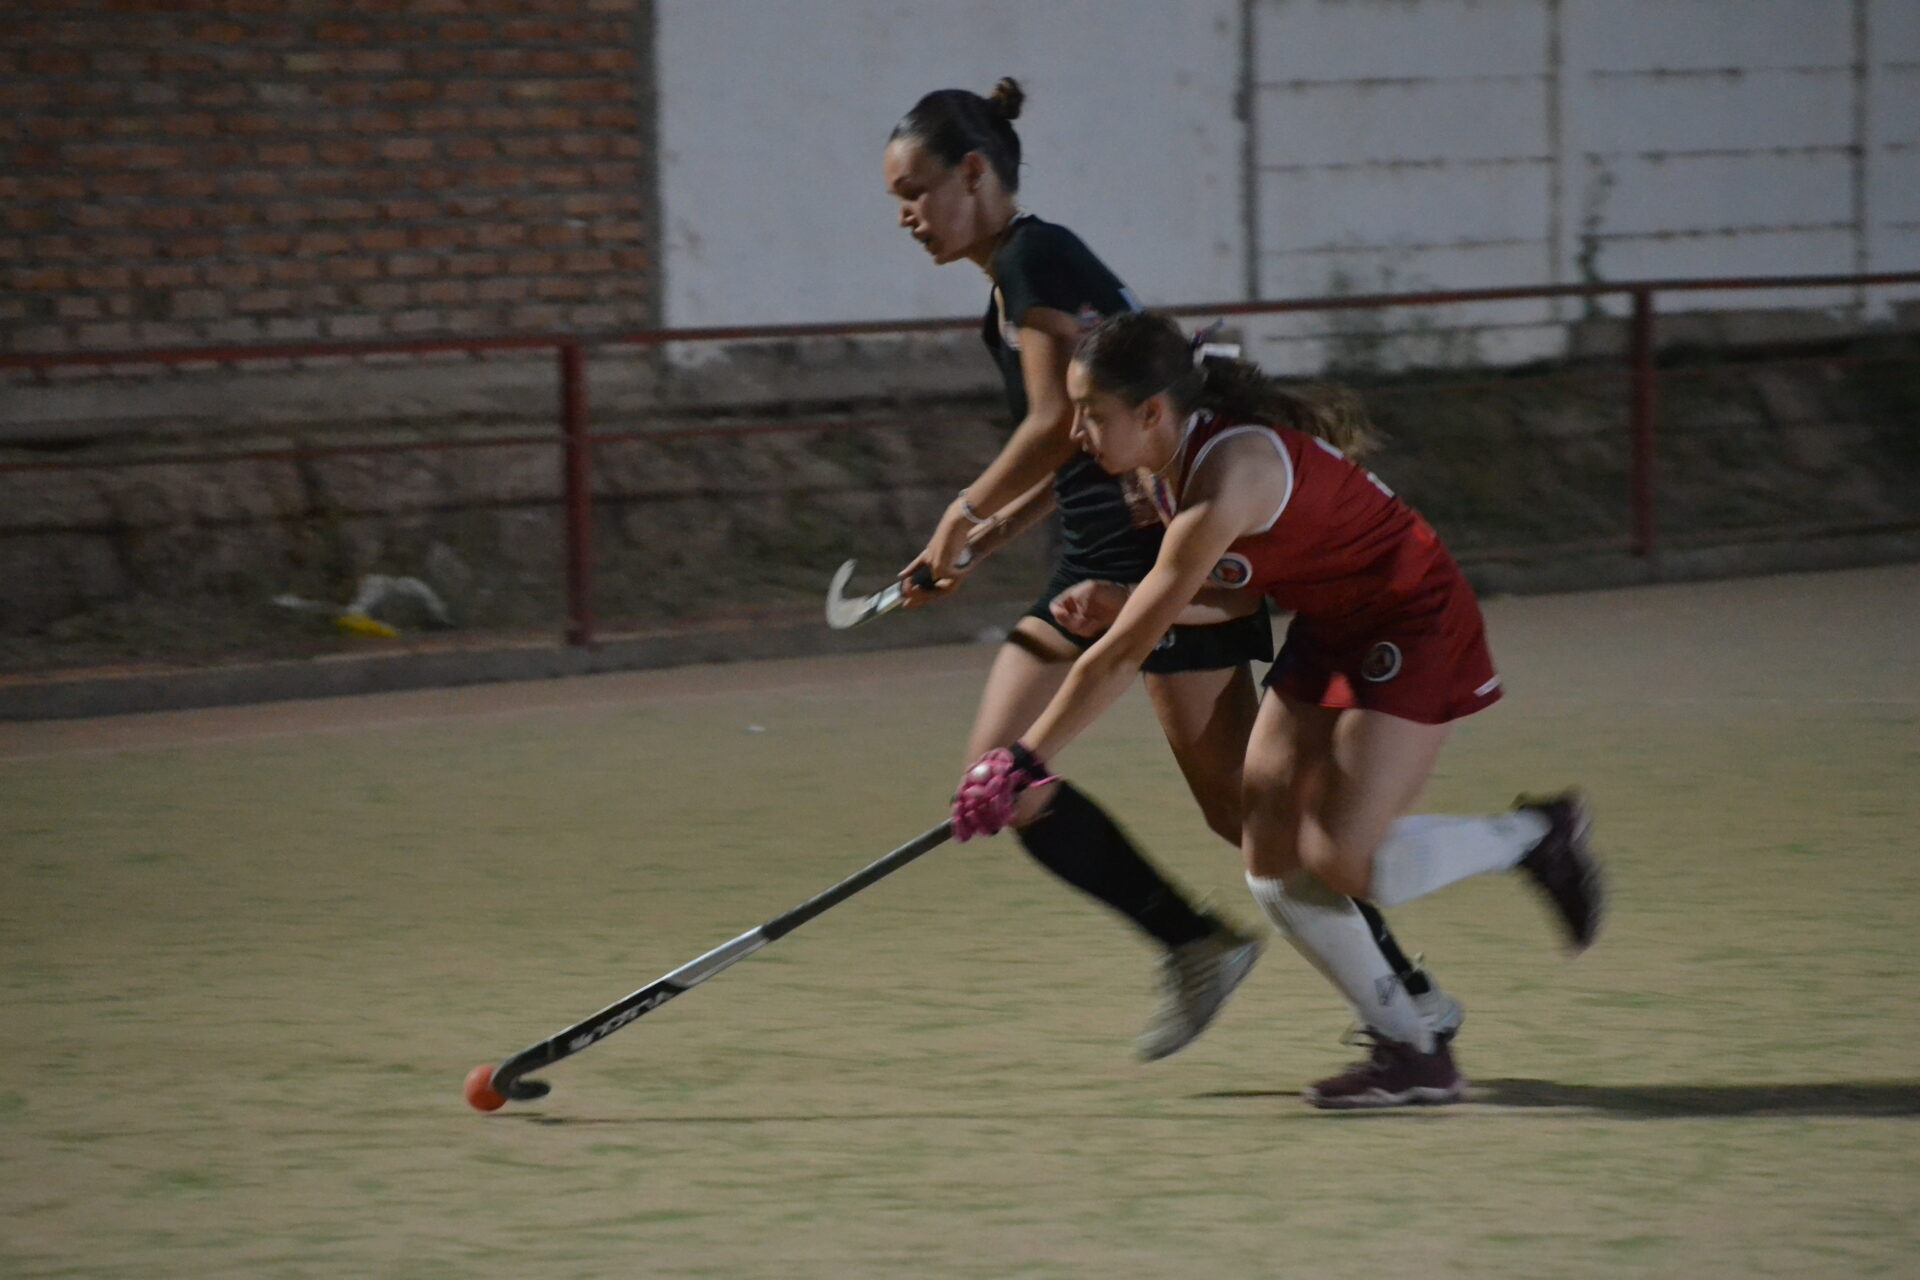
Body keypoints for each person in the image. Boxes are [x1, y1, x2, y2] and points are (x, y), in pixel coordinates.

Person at [884, 79, 1463, 1060]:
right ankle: (1195, 944)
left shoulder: (1032, 259)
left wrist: (961, 513)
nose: (905, 215)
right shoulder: (1026, 269)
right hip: (1089, 558)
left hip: (1157, 556)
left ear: (973, 172)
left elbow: (1050, 425)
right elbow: (1082, 440)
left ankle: (1403, 985)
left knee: (1247, 812)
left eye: (915, 190)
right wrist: (992, 532)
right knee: (1011, 776)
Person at [949, 310, 1604, 1108]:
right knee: (1270, 852)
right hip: (1333, 626)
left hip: (1413, 618)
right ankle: (1412, 1047)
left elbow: (1123, 655)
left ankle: (1535, 836)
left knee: (1347, 861)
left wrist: (1023, 758)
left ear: (1152, 412)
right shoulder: (1163, 472)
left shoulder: (1230, 473)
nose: (1077, 431)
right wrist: (1127, 599)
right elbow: (1232, 591)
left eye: (1091, 413)